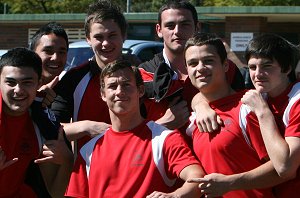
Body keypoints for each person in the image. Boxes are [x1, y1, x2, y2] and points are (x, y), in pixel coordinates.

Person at [65, 60, 204, 197]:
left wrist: (175, 196)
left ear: (141, 90)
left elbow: (197, 178)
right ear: (103, 94)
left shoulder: (164, 139)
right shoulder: (89, 151)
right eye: (113, 86)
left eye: (126, 85)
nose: (119, 91)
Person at [184, 33, 285, 197]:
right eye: (193, 63)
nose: (200, 68)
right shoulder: (194, 117)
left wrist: (230, 183)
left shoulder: (249, 107)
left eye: (208, 61)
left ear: (225, 65)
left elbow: (280, 169)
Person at [138, 0, 245, 130]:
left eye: (185, 24)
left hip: (213, 147)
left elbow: (242, 112)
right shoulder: (142, 75)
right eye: (170, 25)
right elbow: (130, 133)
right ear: (159, 30)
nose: (177, 31)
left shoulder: (225, 69)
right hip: (162, 149)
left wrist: (201, 104)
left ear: (197, 27)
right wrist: (161, 125)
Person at [51, 0, 140, 148]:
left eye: (112, 35)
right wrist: (86, 127)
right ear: (88, 39)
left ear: (123, 35)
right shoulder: (74, 78)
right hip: (88, 169)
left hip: (136, 165)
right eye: (99, 37)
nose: (105, 43)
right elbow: (52, 125)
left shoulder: (142, 75)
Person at [0, 47, 73, 197]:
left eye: (27, 82)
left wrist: (67, 159)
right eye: (10, 82)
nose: (18, 90)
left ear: (39, 84)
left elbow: (56, 193)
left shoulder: (44, 123)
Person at [240, 34, 300, 197]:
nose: (258, 74)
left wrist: (262, 111)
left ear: (287, 68)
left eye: (267, 66)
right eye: (252, 67)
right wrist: (200, 104)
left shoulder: (297, 101)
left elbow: (285, 168)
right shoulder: (260, 97)